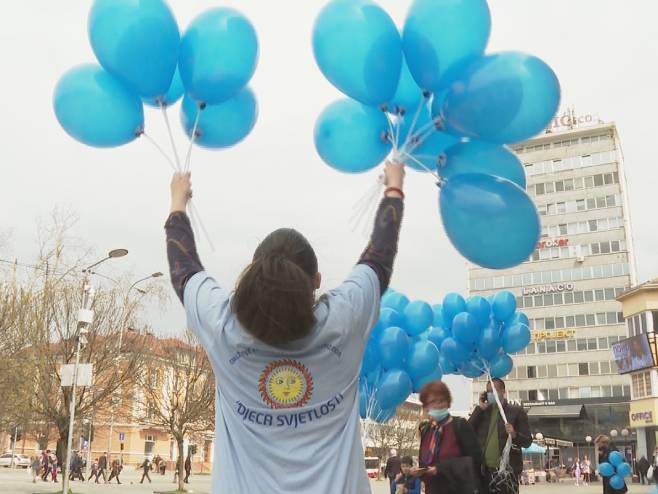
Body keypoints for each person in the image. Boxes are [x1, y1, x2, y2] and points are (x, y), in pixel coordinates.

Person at [165, 161, 406, 494]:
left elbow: (184, 270)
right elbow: (379, 256)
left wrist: (178, 203)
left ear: (254, 275)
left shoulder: (224, 329)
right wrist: (393, 188)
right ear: (316, 281)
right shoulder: (344, 321)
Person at [413, 380, 482, 494]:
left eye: (441, 401)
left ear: (448, 402)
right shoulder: (426, 430)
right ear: (426, 406)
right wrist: (420, 472)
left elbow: (476, 460)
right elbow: (423, 461)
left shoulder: (460, 425)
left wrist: (440, 469)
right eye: (433, 401)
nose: (438, 405)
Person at [468, 378, 532, 494]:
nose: (491, 394)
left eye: (494, 390)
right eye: (488, 391)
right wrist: (479, 409)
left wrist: (514, 434)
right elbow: (467, 431)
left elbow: (527, 441)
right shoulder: (483, 412)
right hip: (484, 473)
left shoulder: (516, 411)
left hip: (507, 474)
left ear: (503, 391)